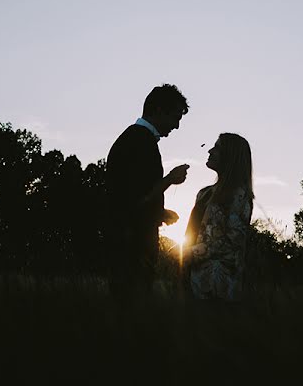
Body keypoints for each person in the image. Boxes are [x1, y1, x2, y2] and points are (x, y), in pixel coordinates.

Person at [105, 84, 190, 306]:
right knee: (132, 308)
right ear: (159, 110)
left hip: (126, 243)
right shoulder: (140, 142)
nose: (177, 126)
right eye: (175, 116)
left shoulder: (135, 139)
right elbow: (138, 197)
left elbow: (130, 196)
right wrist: (170, 179)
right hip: (131, 247)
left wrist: (159, 212)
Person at [181, 133, 254, 302]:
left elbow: (231, 242)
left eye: (218, 148)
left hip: (219, 287)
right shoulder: (204, 193)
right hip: (191, 280)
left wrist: (189, 254)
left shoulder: (240, 196)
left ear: (230, 157)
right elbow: (191, 232)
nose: (210, 151)